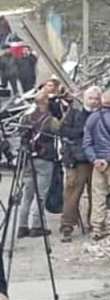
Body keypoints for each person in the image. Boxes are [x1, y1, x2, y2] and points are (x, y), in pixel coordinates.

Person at [83, 88, 110, 239]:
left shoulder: (91, 118)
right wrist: (108, 160)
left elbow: (87, 143)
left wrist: (95, 159)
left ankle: (97, 227)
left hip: (97, 164)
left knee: (98, 196)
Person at [15, 94, 60, 238]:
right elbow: (59, 130)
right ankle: (36, 225)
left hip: (28, 158)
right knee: (41, 194)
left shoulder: (25, 117)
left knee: (27, 194)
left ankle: (22, 226)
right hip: (44, 158)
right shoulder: (50, 120)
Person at [58, 86, 100, 241]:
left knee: (95, 194)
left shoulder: (102, 114)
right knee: (73, 192)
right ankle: (67, 225)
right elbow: (63, 130)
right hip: (78, 159)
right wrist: (83, 130)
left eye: (96, 99)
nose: (94, 101)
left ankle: (93, 223)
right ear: (85, 99)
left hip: (96, 159)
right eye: (91, 98)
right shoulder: (74, 113)